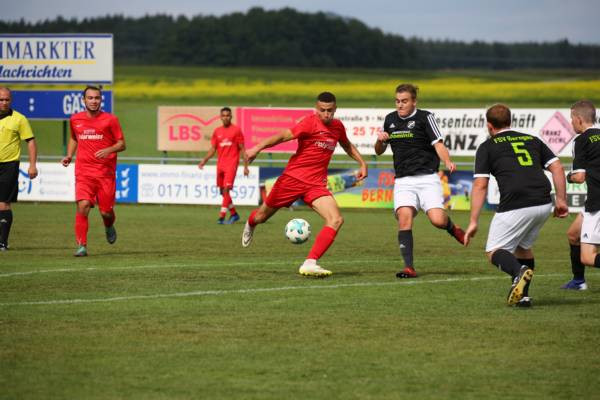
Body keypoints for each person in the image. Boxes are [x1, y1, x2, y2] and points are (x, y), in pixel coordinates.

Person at [241, 92, 368, 277]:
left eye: (330, 110)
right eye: (322, 110)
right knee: (261, 217)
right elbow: (283, 136)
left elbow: (347, 145)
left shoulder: (338, 127)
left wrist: (362, 163)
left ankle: (310, 263)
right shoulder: (309, 123)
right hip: (292, 179)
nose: (326, 114)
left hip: (315, 184)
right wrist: (256, 148)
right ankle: (250, 223)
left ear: (335, 109)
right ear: (317, 109)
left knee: (336, 220)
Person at [465, 103, 569, 307]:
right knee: (523, 248)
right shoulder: (532, 140)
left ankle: (517, 272)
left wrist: (473, 220)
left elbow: (480, 185)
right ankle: (524, 296)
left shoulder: (487, 146)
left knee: (494, 250)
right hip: (543, 202)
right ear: (510, 121)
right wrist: (562, 200)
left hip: (517, 202)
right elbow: (557, 167)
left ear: (489, 126)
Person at [374, 83, 465, 279]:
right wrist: (381, 140)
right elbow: (378, 151)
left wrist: (447, 160)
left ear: (414, 101)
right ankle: (409, 267)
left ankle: (453, 228)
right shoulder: (390, 120)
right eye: (397, 101)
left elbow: (438, 144)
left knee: (437, 220)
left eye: (404, 101)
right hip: (403, 181)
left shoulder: (425, 117)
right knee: (404, 219)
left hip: (427, 179)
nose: (400, 105)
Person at [61, 85, 126, 257]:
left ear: (101, 100)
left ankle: (108, 225)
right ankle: (81, 246)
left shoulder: (111, 120)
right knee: (83, 206)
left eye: (97, 98)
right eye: (90, 98)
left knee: (105, 211)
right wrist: (68, 155)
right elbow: (75, 138)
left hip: (105, 174)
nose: (93, 101)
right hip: (83, 172)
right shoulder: (75, 119)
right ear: (84, 100)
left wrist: (109, 150)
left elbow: (122, 144)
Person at [563, 100, 600, 279]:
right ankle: (578, 281)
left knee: (587, 257)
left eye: (571, 118)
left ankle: (579, 280)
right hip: (592, 200)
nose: (571, 123)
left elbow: (579, 177)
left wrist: (567, 176)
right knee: (573, 234)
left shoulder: (581, 140)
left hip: (597, 201)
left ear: (578, 119)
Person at [0, 87, 38, 251]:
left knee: (3, 204)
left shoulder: (19, 119)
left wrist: (32, 165)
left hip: (9, 165)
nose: (4, 102)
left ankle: (3, 242)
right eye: (1, 99)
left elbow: (30, 142)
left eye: (6, 99)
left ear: (11, 100)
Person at [198, 107, 249, 224]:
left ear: (231, 117)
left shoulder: (236, 130)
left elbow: (242, 149)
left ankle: (221, 216)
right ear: (220, 117)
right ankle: (234, 214)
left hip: (231, 164)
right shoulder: (217, 131)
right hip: (220, 165)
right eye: (223, 115)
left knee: (226, 189)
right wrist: (204, 161)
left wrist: (246, 167)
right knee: (222, 191)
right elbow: (213, 149)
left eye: (228, 115)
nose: (226, 117)